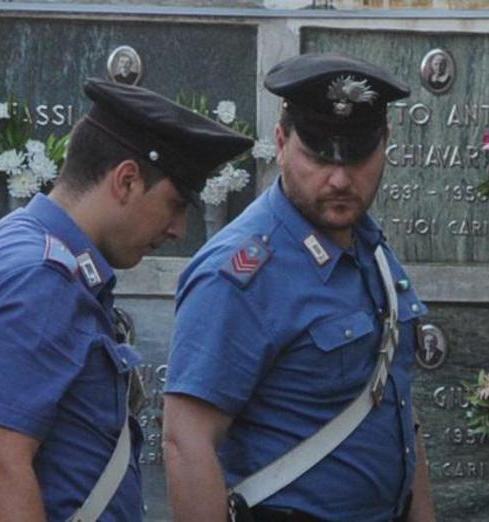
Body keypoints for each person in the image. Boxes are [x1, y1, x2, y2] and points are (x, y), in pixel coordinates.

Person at [0, 78, 253, 522]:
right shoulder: (38, 279)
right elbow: (1, 467)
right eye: (174, 203)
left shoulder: (18, 243)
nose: (178, 230)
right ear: (127, 180)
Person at [163, 53, 437, 522]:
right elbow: (186, 441)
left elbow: (395, 403)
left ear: (386, 143)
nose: (339, 179)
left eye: (358, 157)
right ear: (281, 141)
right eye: (317, 155)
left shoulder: (369, 248)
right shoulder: (240, 273)